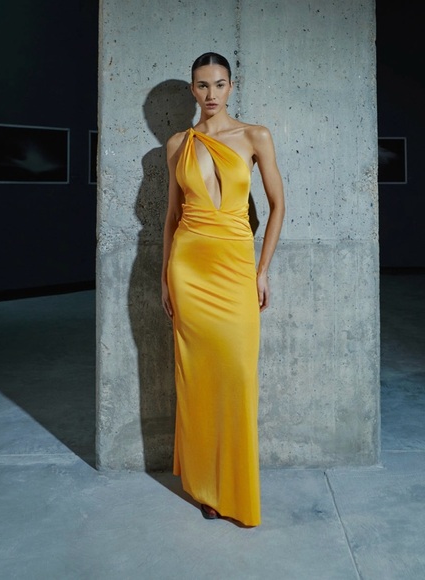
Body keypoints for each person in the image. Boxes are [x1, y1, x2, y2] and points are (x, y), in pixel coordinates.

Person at [161, 52, 285, 527]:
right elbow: (171, 217)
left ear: (232, 86)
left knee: (236, 375)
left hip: (235, 268)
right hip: (189, 269)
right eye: (201, 85)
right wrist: (164, 277)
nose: (210, 94)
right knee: (197, 378)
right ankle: (204, 485)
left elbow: (277, 206)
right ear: (192, 90)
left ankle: (231, 482)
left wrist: (262, 270)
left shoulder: (255, 136)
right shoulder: (178, 143)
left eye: (218, 84)